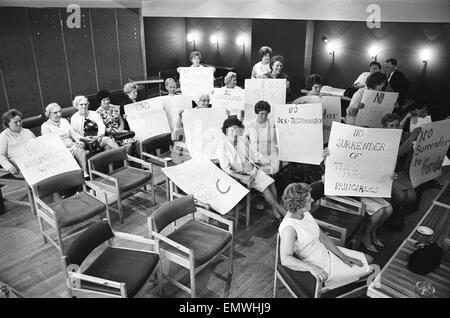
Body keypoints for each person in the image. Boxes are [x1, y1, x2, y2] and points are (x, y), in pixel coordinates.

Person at [279, 183, 374, 287]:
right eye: (309, 200)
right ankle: (354, 286)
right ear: (299, 205)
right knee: (373, 267)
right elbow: (285, 259)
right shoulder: (289, 228)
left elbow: (322, 236)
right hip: (321, 266)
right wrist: (311, 267)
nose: (312, 200)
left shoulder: (304, 213)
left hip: (326, 253)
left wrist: (343, 256)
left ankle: (353, 282)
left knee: (370, 260)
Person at [322, 148, 393, 253]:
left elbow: (370, 171)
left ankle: (372, 231)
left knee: (389, 209)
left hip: (362, 190)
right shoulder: (330, 168)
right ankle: (366, 235)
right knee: (380, 211)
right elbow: (330, 187)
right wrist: (325, 157)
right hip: (348, 196)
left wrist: (388, 176)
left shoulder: (356, 157)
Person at [216, 117, 287, 222]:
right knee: (265, 187)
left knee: (272, 183)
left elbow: (253, 153)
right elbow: (226, 168)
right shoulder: (222, 145)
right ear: (226, 130)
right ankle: (280, 210)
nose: (234, 131)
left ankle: (276, 212)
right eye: (232, 129)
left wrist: (265, 160)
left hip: (252, 169)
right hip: (239, 174)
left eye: (236, 129)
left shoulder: (242, 139)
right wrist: (243, 176)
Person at [381, 113, 421, 232]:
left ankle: (397, 213)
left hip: (402, 173)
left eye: (397, 125)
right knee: (401, 196)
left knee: (412, 197)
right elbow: (397, 153)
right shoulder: (382, 138)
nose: (395, 128)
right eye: (391, 125)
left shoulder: (403, 135)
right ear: (384, 128)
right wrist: (412, 137)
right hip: (387, 174)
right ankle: (391, 216)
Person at [41, 103, 87, 174]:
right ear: (48, 114)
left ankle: (84, 172)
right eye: (55, 113)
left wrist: (77, 141)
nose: (59, 114)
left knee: (80, 147)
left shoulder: (64, 121)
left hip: (71, 145)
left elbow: (72, 132)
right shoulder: (45, 126)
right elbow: (49, 143)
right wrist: (68, 145)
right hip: (58, 149)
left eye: (60, 112)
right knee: (72, 151)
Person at [243, 101, 279, 175]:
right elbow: (244, 139)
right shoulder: (250, 125)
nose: (264, 116)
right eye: (261, 113)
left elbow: (279, 138)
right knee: (258, 176)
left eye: (266, 113)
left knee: (271, 176)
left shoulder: (273, 124)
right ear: (257, 113)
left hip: (271, 156)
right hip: (256, 156)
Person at [0, 109, 35, 176]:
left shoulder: (27, 131)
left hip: (34, 163)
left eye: (20, 121)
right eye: (15, 122)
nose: (19, 124)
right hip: (19, 168)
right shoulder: (4, 136)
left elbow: (37, 146)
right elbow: (1, 155)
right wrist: (9, 167)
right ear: (8, 124)